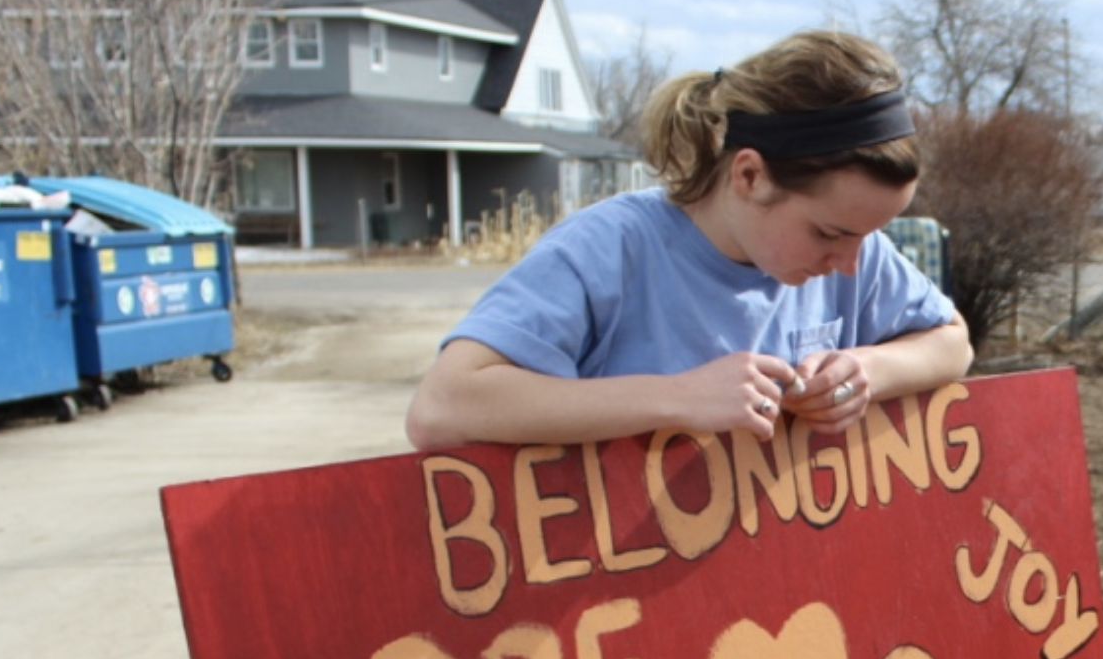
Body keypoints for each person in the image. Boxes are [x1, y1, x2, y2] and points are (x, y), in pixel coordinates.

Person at [405, 30, 972, 451]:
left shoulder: (857, 252)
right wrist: (677, 397)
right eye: (829, 233)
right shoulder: (607, 250)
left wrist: (869, 370)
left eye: (871, 235)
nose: (850, 264)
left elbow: (952, 343)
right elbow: (441, 407)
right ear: (750, 176)